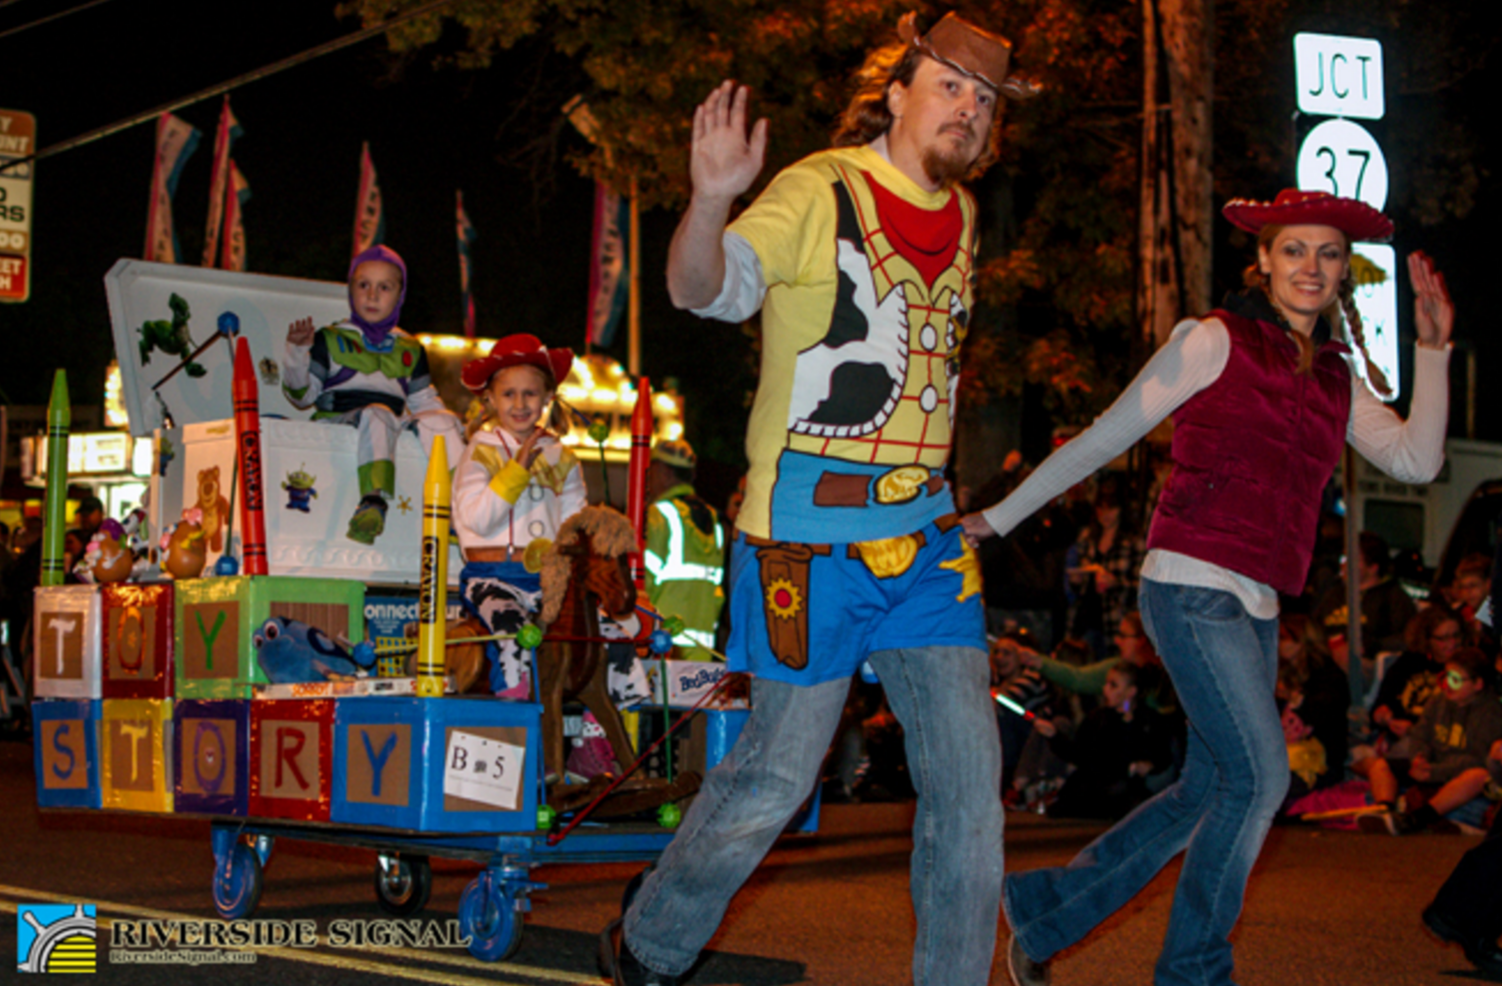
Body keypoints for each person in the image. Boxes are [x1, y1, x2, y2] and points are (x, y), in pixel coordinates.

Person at [601, 12, 1037, 986]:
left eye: (983, 99)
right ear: (895, 91)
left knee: (970, 792)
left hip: (923, 540)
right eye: (948, 86)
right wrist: (710, 201)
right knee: (771, 779)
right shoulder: (818, 188)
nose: (966, 110)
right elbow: (701, 288)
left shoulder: (962, 219)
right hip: (805, 538)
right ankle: (651, 939)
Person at [964, 188, 1453, 986]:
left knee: (1209, 787)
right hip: (1189, 584)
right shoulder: (1215, 340)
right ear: (1261, 260)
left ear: (1343, 276)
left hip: (1257, 606)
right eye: (1294, 249)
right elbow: (1106, 434)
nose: (1311, 266)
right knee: (1260, 777)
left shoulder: (1336, 375)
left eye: (1328, 254)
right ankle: (1193, 973)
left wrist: (1432, 353)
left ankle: (1047, 911)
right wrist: (999, 517)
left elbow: (1417, 461)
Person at [281, 245, 465, 544]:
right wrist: (297, 353)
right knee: (378, 413)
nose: (372, 295)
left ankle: (459, 511)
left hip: (389, 421)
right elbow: (302, 396)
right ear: (350, 289)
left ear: (399, 295)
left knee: (442, 422)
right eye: (363, 284)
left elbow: (424, 402)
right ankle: (373, 501)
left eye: (384, 287)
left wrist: (457, 424)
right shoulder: (330, 338)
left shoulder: (409, 347)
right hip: (338, 421)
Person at [452, 334, 584, 699]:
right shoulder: (480, 449)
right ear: (490, 399)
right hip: (492, 578)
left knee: (598, 635)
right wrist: (517, 469)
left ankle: (594, 739)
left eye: (530, 393)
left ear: (547, 398)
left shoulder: (562, 455)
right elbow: (478, 520)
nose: (520, 403)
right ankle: (515, 728)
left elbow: (575, 523)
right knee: (514, 634)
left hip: (548, 583)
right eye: (509, 394)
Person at [1359, 647, 1502, 835]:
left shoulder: (1490, 713)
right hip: (1431, 766)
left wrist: (1433, 771)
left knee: (1478, 775)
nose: (1448, 684)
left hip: (1456, 773)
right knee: (1380, 766)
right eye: (1446, 677)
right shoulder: (1438, 701)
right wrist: (1418, 759)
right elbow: (1420, 735)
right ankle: (1385, 809)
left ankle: (1417, 818)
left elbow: (1476, 758)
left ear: (1478, 684)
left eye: (1456, 680)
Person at [1032, 660, 1172, 821]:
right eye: (1106, 684)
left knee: (1133, 801)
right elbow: (1080, 754)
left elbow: (1162, 754)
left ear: (1131, 692)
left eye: (1113, 685)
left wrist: (1149, 764)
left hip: (1126, 786)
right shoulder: (1098, 718)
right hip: (1095, 783)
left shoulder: (1148, 720)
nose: (1105, 690)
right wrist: (1054, 736)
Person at [642, 439, 726, 661]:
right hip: (702, 651)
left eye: (651, 471)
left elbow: (643, 584)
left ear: (664, 472)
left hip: (662, 647)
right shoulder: (713, 519)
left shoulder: (658, 516)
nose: (648, 478)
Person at [1312, 530, 1417, 670]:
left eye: (1352, 560)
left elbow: (1409, 637)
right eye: (1344, 558)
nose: (1344, 565)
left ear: (1373, 567)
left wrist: (1372, 645)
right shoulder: (1334, 595)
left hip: (1369, 665)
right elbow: (1314, 626)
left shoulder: (1393, 597)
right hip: (1327, 661)